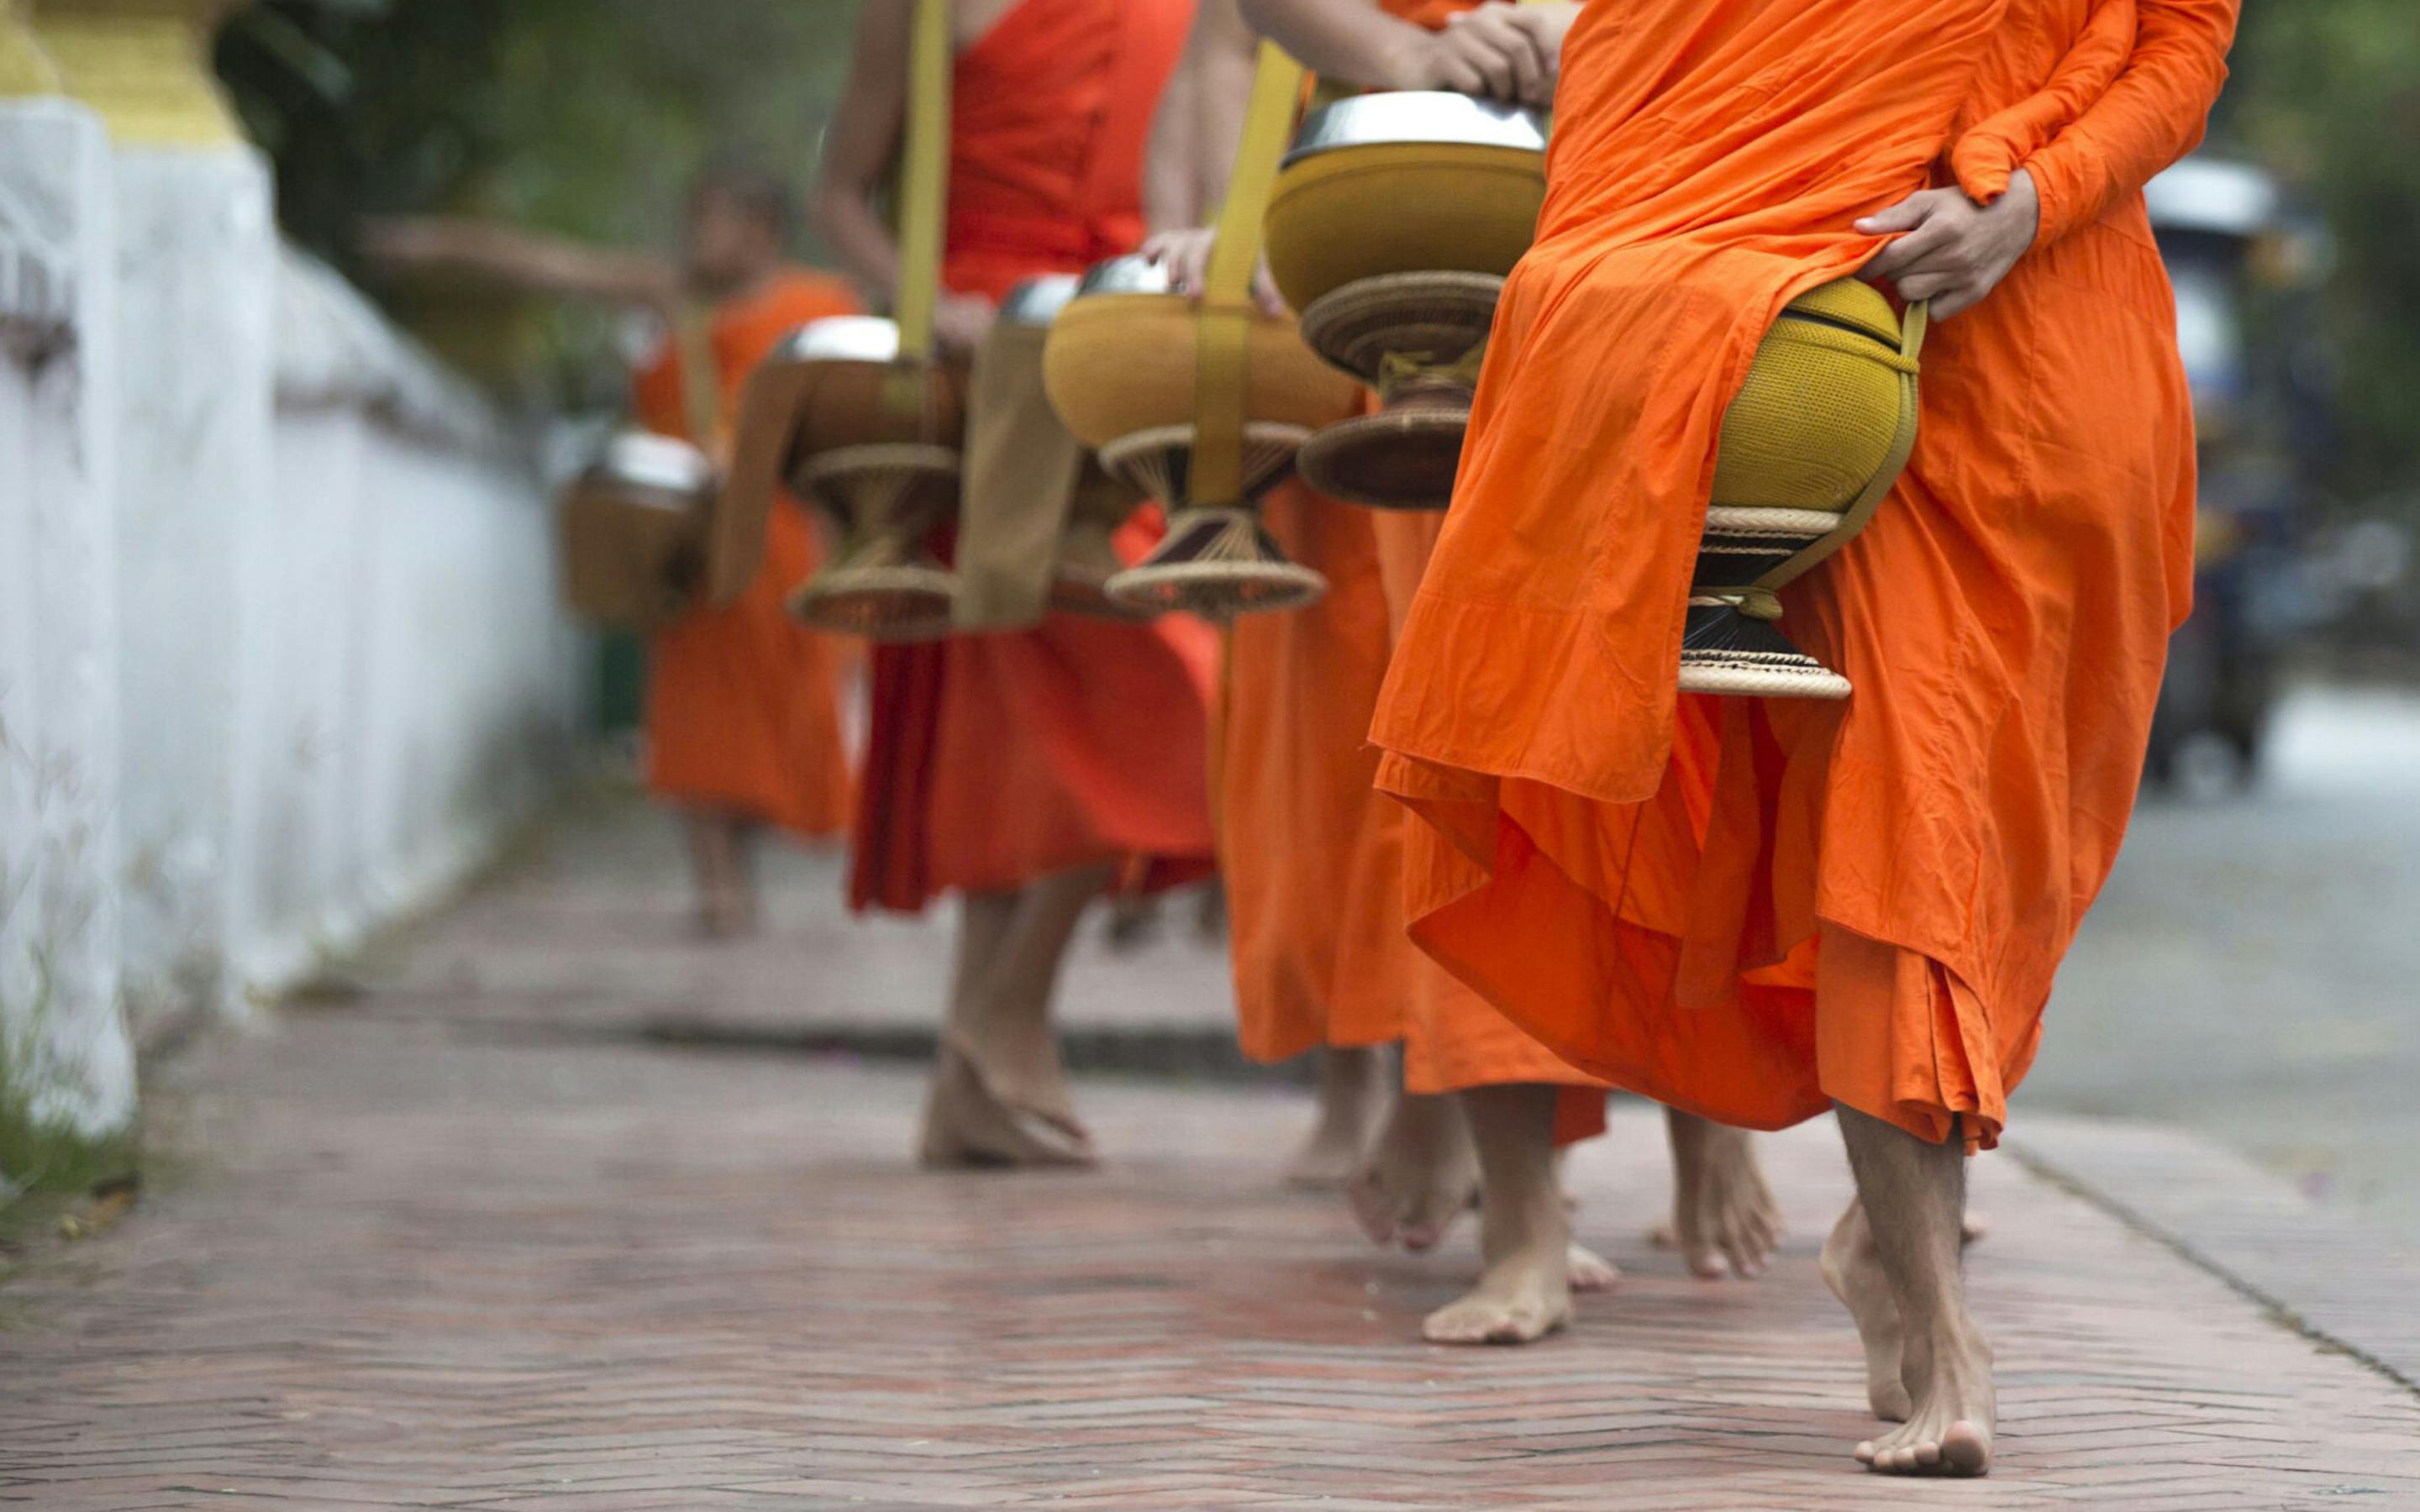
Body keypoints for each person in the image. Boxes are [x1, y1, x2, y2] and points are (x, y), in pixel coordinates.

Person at [1365, 0, 2237, 1473]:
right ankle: (1945, 1325)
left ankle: (1896, 1244)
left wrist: (2031, 205)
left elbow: (2183, 45)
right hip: (1827, 326)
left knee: (2001, 845)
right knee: (1904, 817)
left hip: (2052, 333)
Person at [1149, 0, 1780, 1345]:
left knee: (1676, 725)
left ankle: (1712, 1110)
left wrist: (1591, 28)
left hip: (1660, 228)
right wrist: (1407, 64)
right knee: (1475, 745)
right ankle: (1522, 1218)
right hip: (1433, 260)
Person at [813, 0, 1217, 1169]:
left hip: (1135, 354)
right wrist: (918, 299)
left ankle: (987, 1037)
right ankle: (984, 1049)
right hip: (991, 360)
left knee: (1172, 690)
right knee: (1020, 733)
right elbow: (841, 192)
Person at [366, 166, 860, 937]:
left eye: (716, 222)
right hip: (684, 542)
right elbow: (550, 264)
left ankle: (742, 859)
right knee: (697, 711)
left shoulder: (819, 308)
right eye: (695, 219)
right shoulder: (672, 295)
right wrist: (438, 245)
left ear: (761, 232)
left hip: (781, 542)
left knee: (779, 718)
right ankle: (718, 887)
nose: (698, 239)